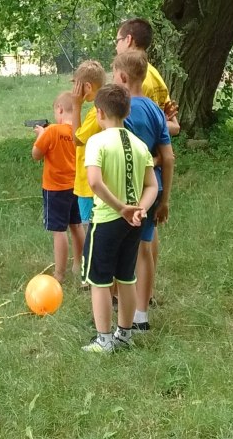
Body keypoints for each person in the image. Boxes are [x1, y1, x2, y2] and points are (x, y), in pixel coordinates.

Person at [80, 84, 158, 353]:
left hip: (106, 220)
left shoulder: (97, 141)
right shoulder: (139, 144)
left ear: (99, 112)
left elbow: (94, 182)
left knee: (99, 280)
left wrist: (120, 207)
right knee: (126, 276)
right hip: (133, 223)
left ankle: (104, 340)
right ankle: (124, 335)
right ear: (126, 112)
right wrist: (140, 209)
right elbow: (152, 185)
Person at [116, 17, 178, 309]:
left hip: (128, 186)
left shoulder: (122, 108)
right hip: (155, 186)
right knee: (144, 246)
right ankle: (143, 307)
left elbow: (115, 145)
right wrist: (164, 199)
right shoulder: (155, 100)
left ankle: (119, 301)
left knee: (122, 247)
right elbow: (169, 148)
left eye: (118, 40)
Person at [32, 92, 86, 284]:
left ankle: (60, 274)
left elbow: (36, 154)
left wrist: (41, 135)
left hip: (55, 189)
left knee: (59, 230)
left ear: (60, 109)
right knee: (77, 226)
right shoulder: (80, 132)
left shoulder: (53, 131)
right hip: (76, 187)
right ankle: (79, 264)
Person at [67, 60, 107, 287]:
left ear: (88, 87)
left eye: (77, 86)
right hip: (95, 181)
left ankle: (91, 275)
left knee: (89, 229)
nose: (75, 92)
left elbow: (77, 139)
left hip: (87, 184)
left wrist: (76, 106)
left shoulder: (95, 112)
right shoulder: (102, 109)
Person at [115, 18, 180, 136]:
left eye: (118, 41)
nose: (116, 47)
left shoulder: (131, 80)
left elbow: (118, 125)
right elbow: (174, 126)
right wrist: (159, 121)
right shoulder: (154, 74)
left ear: (128, 40)